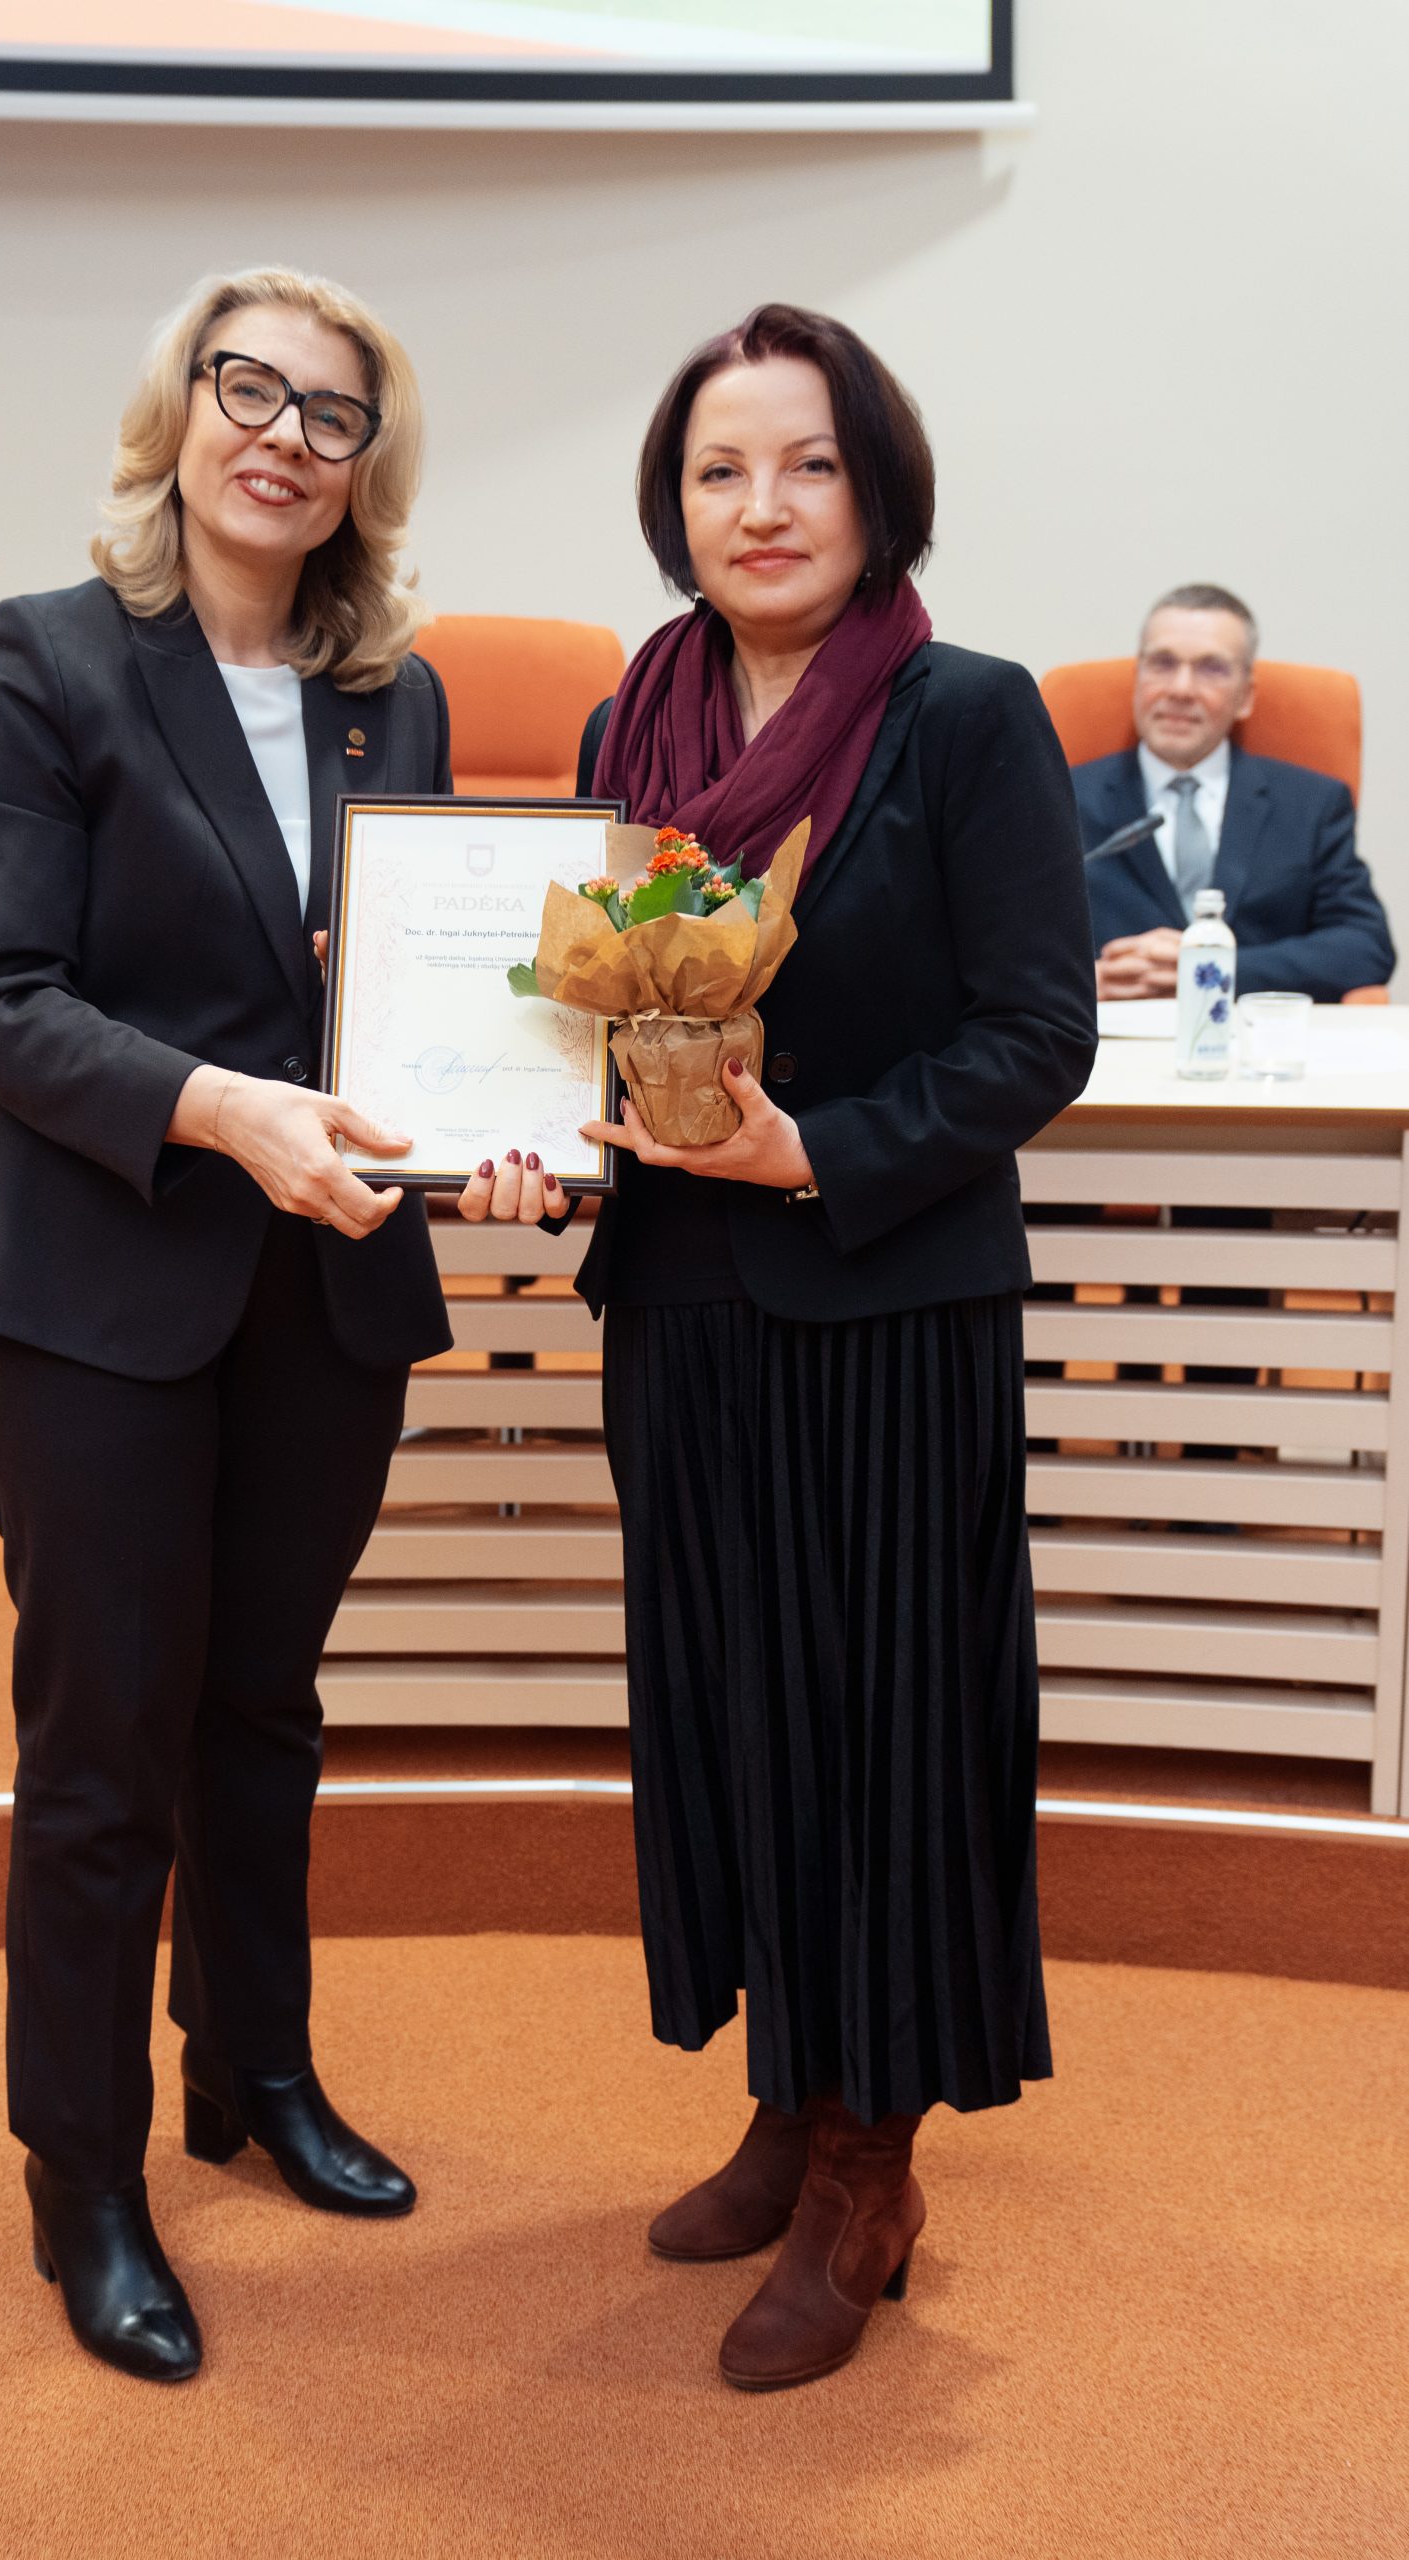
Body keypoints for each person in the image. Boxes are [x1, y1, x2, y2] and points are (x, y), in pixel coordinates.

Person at [460, 304, 1096, 2391]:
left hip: (885, 1300)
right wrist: (508, 1140)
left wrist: (818, 1147)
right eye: (719, 469)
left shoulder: (965, 713)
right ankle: (785, 2086)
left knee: (885, 1722)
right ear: (673, 504)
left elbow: (1038, 1034)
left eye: (807, 462)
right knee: (735, 1713)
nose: (763, 504)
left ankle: (865, 2163)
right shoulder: (629, 723)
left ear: (876, 487)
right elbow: (580, 1019)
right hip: (682, 1306)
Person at [0, 266, 454, 2384]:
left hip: (326, 1279)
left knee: (265, 1708)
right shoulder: (48, 658)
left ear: (365, 468)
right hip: (94, 1286)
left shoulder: (393, 695)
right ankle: (85, 2174)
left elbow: (409, 1002)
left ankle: (254, 2067)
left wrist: (481, 1140)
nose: (284, 437)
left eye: (333, 414)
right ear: (180, 410)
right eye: (250, 388)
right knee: (106, 1748)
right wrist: (222, 1109)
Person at [1078, 584, 1393, 1001]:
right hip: (1105, 1033)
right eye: (1162, 663)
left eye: (1212, 668)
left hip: (1252, 1032)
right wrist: (1077, 983)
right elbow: (1009, 941)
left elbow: (1365, 946)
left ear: (1245, 696)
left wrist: (1213, 968)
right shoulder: (1059, 797)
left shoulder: (1311, 803)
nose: (1181, 689)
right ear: (1137, 679)